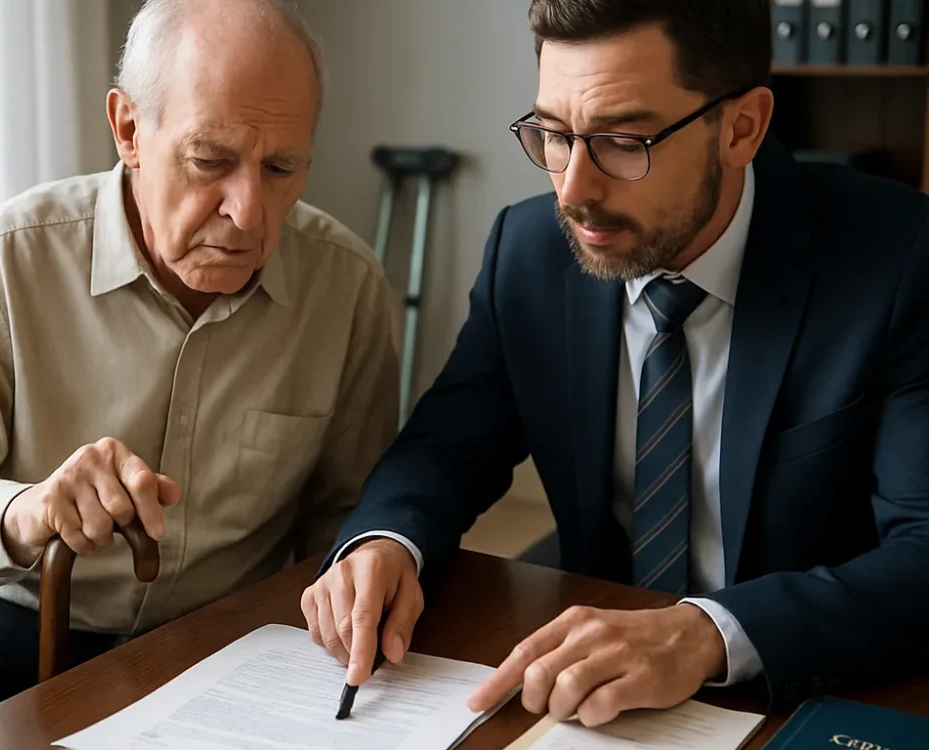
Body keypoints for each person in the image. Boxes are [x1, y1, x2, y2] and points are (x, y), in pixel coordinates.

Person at [302, 0, 929, 730]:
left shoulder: (898, 259)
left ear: (743, 127)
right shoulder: (528, 253)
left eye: (624, 141)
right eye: (554, 134)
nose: (571, 191)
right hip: (593, 706)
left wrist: (706, 634)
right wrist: (385, 541)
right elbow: (445, 449)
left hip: (809, 695)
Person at [0, 0, 398, 732]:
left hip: (222, 640)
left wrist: (358, 572)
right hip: (1, 626)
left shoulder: (347, 286)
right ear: (128, 131)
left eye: (281, 167)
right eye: (210, 160)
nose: (248, 211)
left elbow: (350, 510)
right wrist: (28, 511)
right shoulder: (8, 263)